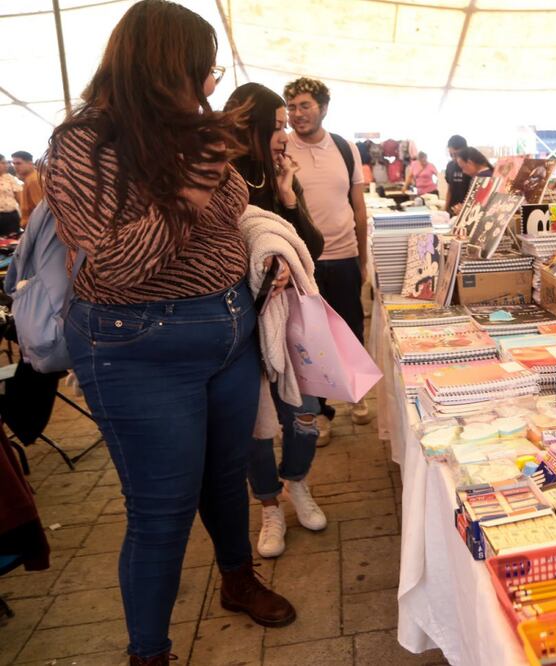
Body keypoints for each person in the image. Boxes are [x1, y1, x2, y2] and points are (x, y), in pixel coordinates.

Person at [43, 2, 296, 663]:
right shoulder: (83, 143)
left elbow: (237, 205)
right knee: (163, 507)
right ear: (164, 65)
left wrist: (221, 182)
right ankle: (148, 652)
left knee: (223, 477)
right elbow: (118, 262)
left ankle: (237, 579)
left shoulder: (191, 132)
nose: (208, 81)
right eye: (200, 67)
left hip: (226, 334)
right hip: (137, 346)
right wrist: (197, 179)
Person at [224, 82, 327, 559]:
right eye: (279, 125)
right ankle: (268, 503)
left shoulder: (280, 175)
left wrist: (287, 197)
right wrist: (261, 264)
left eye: (288, 124)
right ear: (254, 126)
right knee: (256, 424)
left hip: (293, 322)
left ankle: (297, 482)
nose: (287, 134)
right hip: (240, 323)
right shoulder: (219, 176)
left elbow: (314, 247)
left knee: (305, 412)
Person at [283, 76, 371, 434]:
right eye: (291, 107)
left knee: (350, 328)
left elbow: (359, 209)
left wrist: (362, 259)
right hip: (303, 262)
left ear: (323, 108)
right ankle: (319, 411)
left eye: (304, 105)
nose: (297, 114)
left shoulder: (344, 147)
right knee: (311, 337)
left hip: (344, 254)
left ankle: (357, 393)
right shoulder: (282, 148)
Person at [11, 150, 42, 226]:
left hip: (35, 226)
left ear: (30, 163)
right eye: (13, 163)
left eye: (18, 163)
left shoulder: (33, 180)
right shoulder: (30, 179)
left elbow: (40, 209)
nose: (15, 166)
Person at [444, 135, 470, 214]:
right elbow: (450, 190)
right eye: (451, 154)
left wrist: (466, 210)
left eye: (456, 154)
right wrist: (444, 210)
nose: (454, 158)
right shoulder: (450, 166)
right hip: (452, 210)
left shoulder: (470, 167)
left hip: (466, 211)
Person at [0, 154, 20, 235]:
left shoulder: (10, 178)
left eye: (6, 163)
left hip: (11, 216)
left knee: (12, 242)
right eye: (3, 163)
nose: (6, 165)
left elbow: (19, 198)